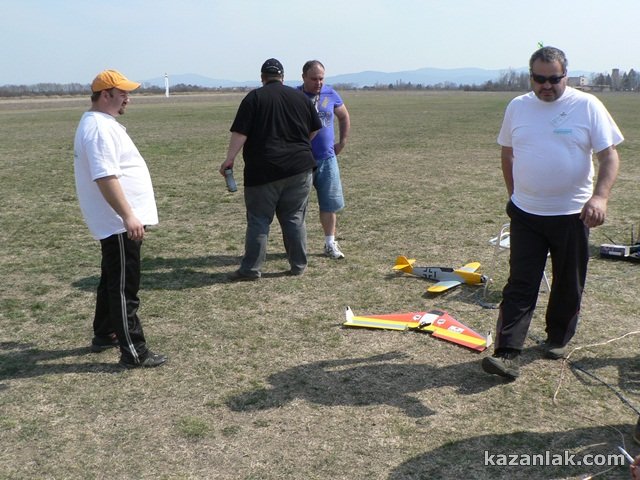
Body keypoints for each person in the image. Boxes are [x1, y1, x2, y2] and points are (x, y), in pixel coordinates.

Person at [481, 46, 622, 380]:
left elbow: (609, 156)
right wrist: (514, 195)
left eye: (553, 79)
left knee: (568, 282)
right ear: (530, 77)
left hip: (573, 214)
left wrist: (600, 198)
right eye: (539, 79)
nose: (546, 85)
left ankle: (557, 337)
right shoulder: (517, 106)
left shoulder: (587, 105)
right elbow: (507, 153)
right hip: (526, 213)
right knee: (520, 283)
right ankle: (507, 353)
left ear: (565, 76)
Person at [73, 69, 167, 369]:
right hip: (118, 222)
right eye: (123, 93)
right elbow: (105, 176)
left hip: (116, 221)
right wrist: (128, 215)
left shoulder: (101, 124)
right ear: (105, 95)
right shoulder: (99, 129)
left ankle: (105, 332)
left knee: (112, 278)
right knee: (124, 286)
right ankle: (134, 351)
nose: (128, 98)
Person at [220, 58, 322, 280]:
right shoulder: (300, 98)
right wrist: (301, 144)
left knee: (259, 220)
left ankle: (251, 269)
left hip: (263, 171)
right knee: (294, 218)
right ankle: (298, 265)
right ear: (282, 77)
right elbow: (315, 128)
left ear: (262, 78)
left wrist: (229, 159)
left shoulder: (254, 98)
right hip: (300, 168)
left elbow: (240, 133)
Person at [299, 60, 351, 259]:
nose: (318, 83)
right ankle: (296, 247)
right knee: (297, 206)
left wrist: (342, 142)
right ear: (303, 77)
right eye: (314, 79)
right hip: (301, 161)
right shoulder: (295, 96)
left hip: (327, 159)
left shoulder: (330, 94)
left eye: (321, 78)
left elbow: (344, 116)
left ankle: (330, 243)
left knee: (329, 204)